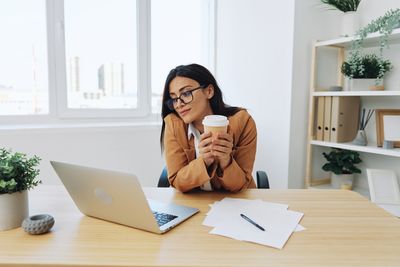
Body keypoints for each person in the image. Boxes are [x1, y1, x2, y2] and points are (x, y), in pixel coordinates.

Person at [160, 63, 257, 193]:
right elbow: (177, 181)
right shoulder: (174, 125)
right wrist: (204, 161)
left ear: (209, 91)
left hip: (237, 204)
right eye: (174, 98)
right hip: (195, 204)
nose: (179, 104)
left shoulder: (243, 122)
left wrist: (225, 160)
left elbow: (241, 186)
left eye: (186, 93)